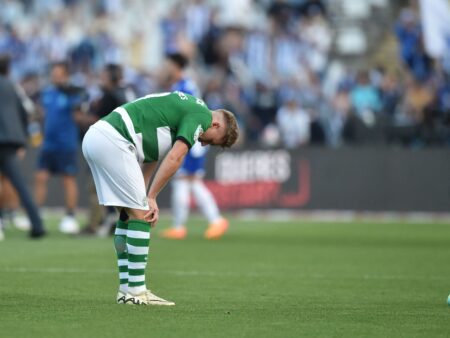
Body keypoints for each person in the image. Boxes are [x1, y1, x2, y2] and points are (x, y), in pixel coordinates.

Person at [82, 91, 239, 305]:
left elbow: (152, 156)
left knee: (128, 215)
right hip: (114, 140)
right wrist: (152, 197)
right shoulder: (202, 116)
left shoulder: (187, 108)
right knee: (141, 215)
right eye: (212, 141)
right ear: (217, 126)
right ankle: (136, 293)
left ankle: (126, 290)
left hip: (98, 137)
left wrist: (146, 195)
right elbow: (176, 157)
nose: (203, 145)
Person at [159, 53, 228, 240]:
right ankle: (207, 221)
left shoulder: (185, 87)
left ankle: (188, 225)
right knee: (190, 182)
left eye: (167, 64)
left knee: (184, 180)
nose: (165, 68)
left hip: (192, 140)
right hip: (190, 139)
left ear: (175, 66)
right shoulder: (182, 85)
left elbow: (191, 114)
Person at [76, 64, 135, 236]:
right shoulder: (126, 93)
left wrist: (81, 117)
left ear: (111, 77)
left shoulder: (111, 95)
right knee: (118, 188)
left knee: (96, 187)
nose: (101, 79)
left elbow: (98, 120)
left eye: (103, 76)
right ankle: (117, 221)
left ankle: (95, 224)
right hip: (123, 145)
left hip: (106, 145)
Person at [34, 62, 84, 234]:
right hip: (48, 144)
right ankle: (36, 214)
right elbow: (41, 114)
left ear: (65, 76)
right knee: (40, 177)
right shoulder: (47, 93)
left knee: (67, 179)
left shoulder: (71, 94)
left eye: (58, 74)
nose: (55, 77)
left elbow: (79, 114)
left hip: (66, 144)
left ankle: (70, 216)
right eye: (53, 74)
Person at [0, 54, 46, 240]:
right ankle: (37, 225)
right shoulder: (13, 86)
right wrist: (22, 139)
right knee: (20, 185)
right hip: (11, 141)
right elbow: (28, 111)